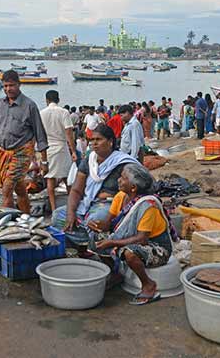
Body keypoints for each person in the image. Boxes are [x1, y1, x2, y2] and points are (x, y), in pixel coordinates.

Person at [91, 164, 174, 305]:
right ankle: (115, 273)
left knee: (129, 253)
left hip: (156, 246)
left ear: (133, 188)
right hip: (135, 239)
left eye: (123, 178)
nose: (118, 180)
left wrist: (112, 243)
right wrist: (97, 225)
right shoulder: (121, 196)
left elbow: (142, 239)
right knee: (96, 238)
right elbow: (109, 223)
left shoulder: (148, 206)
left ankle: (148, 284)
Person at [52, 125, 138, 247]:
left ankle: (102, 251)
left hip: (111, 205)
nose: (94, 143)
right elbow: (76, 190)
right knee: (58, 216)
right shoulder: (89, 161)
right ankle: (81, 247)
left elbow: (137, 188)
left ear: (110, 142)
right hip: (88, 202)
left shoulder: (122, 162)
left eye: (98, 139)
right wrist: (71, 214)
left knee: (95, 221)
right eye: (92, 140)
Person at [0, 70, 48, 213]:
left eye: (11, 85)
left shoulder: (29, 105)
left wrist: (44, 162)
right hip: (5, 154)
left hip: (22, 153)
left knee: (7, 189)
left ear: (19, 85)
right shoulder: (1, 104)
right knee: (20, 188)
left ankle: (10, 225)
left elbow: (40, 134)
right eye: (5, 86)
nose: (8, 89)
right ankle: (26, 217)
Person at [40, 90, 77, 210]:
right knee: (68, 179)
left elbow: (39, 135)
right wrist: (74, 151)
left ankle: (53, 207)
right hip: (62, 147)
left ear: (46, 100)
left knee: (50, 178)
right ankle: (72, 206)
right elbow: (69, 133)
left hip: (49, 148)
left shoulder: (42, 113)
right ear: (58, 99)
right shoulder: (64, 112)